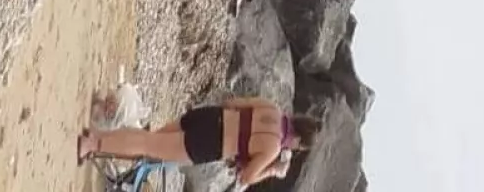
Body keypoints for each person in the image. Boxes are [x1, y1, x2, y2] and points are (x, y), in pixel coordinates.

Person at [79, 99, 314, 184]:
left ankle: (98, 139)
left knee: (150, 141)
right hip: (210, 143)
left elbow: (233, 103)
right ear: (298, 141)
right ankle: (92, 144)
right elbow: (246, 177)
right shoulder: (273, 147)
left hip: (211, 116)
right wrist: (272, 171)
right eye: (298, 147)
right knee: (147, 146)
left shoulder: (273, 108)